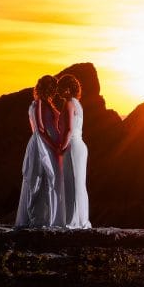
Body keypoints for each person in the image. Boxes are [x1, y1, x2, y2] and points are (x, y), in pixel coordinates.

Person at [15, 75, 64, 227]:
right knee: (41, 179)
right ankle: (38, 218)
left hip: (50, 143)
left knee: (51, 180)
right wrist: (53, 146)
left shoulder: (48, 103)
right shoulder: (38, 104)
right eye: (52, 87)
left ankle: (50, 218)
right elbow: (39, 130)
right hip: (42, 146)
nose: (54, 90)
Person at [56, 74, 91, 228]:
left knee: (71, 183)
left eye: (61, 88)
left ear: (68, 89)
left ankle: (71, 221)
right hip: (80, 145)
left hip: (72, 146)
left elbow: (69, 129)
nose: (58, 91)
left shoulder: (69, 104)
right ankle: (81, 219)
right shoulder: (78, 104)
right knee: (79, 183)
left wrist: (61, 148)